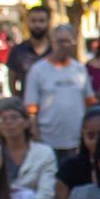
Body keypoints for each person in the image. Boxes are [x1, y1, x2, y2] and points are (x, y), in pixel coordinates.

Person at [25, 24, 94, 163]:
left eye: (68, 41)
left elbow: (90, 103)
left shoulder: (80, 70)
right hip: (48, 141)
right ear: (52, 42)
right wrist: (36, 137)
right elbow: (31, 109)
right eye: (60, 41)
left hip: (76, 141)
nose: (64, 45)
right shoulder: (38, 70)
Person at [0, 97, 57, 199]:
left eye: (14, 118)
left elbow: (46, 195)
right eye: (3, 119)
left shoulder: (44, 153)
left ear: (26, 122)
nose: (9, 123)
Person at [6, 6, 51, 96]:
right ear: (27, 23)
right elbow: (11, 80)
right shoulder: (18, 51)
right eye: (33, 21)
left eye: (41, 21)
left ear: (48, 23)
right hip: (27, 105)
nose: (37, 25)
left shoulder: (56, 50)